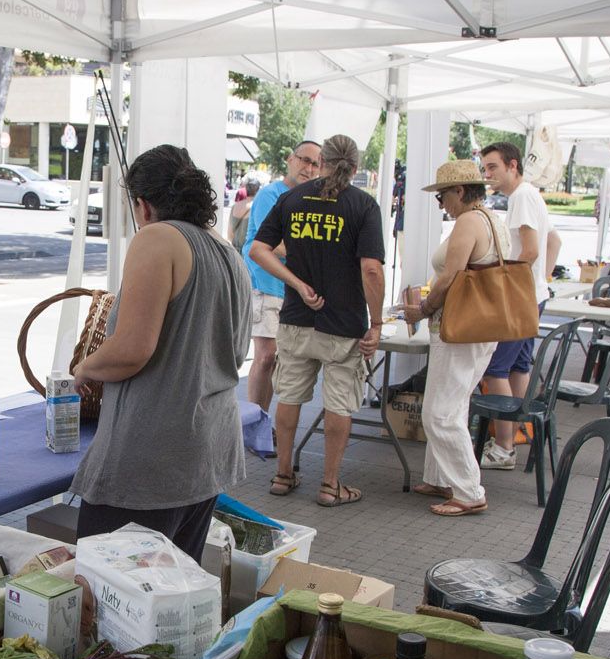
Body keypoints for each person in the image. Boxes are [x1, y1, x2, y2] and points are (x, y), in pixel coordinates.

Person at [69, 145, 249, 560]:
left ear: (142, 204)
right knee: (168, 600)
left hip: (152, 460)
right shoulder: (227, 252)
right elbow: (235, 352)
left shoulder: (157, 238)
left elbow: (131, 350)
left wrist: (85, 366)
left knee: (110, 598)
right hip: (208, 450)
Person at [250, 134, 385, 508]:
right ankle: (330, 485)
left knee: (289, 395)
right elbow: (371, 270)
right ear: (356, 168)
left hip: (296, 317)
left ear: (321, 161)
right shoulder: (363, 205)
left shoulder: (291, 199)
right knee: (340, 402)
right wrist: (376, 323)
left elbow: (258, 249)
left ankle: (283, 474)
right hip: (344, 323)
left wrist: (296, 283)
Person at [400, 161, 509, 517]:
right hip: (479, 327)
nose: (441, 203)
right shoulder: (492, 219)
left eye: (442, 195)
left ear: (460, 191)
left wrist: (424, 308)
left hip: (461, 327)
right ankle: (441, 477)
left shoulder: (469, 222)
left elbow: (451, 276)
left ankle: (467, 489)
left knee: (439, 413)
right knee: (451, 404)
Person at [477, 140, 553, 472]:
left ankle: (504, 446)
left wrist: (506, 285)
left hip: (522, 298)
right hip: (534, 295)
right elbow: (555, 241)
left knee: (495, 368)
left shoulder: (522, 196)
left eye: (492, 167)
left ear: (513, 165)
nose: (487, 174)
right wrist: (541, 280)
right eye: (484, 168)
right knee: (519, 367)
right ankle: (519, 434)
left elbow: (532, 249)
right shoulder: (530, 194)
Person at [242, 141, 321, 412]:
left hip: (291, 289)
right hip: (265, 284)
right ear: (290, 159)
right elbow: (270, 243)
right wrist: (311, 255)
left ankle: (261, 420)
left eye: (315, 164)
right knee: (265, 356)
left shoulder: (312, 200)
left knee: (277, 360)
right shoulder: (270, 195)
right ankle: (255, 422)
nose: (309, 168)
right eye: (304, 160)